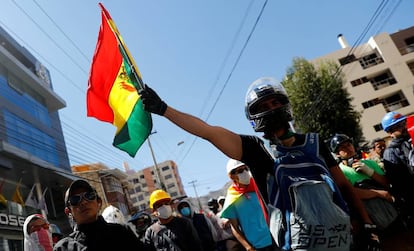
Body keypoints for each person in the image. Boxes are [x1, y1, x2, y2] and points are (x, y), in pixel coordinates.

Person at [139, 77, 381, 250]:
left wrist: (368, 226)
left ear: (285, 105)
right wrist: (163, 109)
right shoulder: (257, 151)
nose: (272, 109)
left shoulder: (314, 143)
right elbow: (208, 131)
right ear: (254, 116)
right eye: (263, 107)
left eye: (275, 103)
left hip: (344, 239)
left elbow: (344, 188)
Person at [330, 133, 398, 230]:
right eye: (342, 147)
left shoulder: (369, 163)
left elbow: (385, 183)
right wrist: (378, 193)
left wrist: (369, 172)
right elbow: (350, 193)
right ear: (337, 153)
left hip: (387, 208)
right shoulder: (340, 171)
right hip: (367, 215)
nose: (348, 148)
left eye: (349, 145)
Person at [53, 179, 144, 250]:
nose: (84, 202)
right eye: (75, 199)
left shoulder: (121, 232)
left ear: (99, 202)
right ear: (68, 212)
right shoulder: (63, 247)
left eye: (89, 196)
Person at [220, 159, 274, 251]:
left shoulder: (259, 187)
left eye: (246, 169)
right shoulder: (232, 199)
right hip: (258, 246)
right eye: (240, 171)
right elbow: (235, 228)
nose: (245, 172)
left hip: (275, 238)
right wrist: (248, 247)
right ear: (232, 176)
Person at [381, 111, 414, 227]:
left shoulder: (411, 142)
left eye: (404, 123)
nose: (404, 127)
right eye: (399, 126)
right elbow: (399, 183)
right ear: (390, 132)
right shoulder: (390, 153)